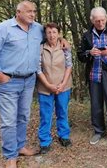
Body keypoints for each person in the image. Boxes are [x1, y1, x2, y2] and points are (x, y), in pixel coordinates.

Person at [0, 1, 43, 168]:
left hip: (29, 81)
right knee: (9, 121)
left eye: (34, 11)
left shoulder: (38, 29)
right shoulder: (3, 29)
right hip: (8, 82)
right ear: (18, 12)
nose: (32, 14)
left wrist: (62, 41)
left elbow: (53, 36)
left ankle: (20, 146)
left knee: (23, 116)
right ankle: (10, 156)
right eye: (28, 11)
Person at [77, 7, 107, 147]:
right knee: (96, 104)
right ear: (92, 20)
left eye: (102, 20)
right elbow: (80, 55)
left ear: (106, 18)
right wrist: (89, 53)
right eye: (97, 20)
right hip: (94, 73)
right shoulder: (87, 35)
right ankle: (98, 131)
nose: (100, 23)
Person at [37, 22, 73, 154]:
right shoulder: (40, 48)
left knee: (62, 111)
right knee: (45, 115)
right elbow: (38, 69)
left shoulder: (65, 47)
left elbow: (69, 65)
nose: (52, 35)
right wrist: (48, 85)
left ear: (59, 33)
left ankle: (64, 136)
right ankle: (44, 141)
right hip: (45, 87)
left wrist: (63, 84)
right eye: (49, 32)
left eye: (54, 32)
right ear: (45, 34)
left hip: (63, 86)